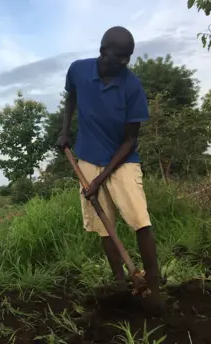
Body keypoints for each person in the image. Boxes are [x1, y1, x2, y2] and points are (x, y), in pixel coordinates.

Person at [56, 26, 162, 314]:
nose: (125, 62)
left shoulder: (131, 86)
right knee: (105, 227)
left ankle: (153, 285)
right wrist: (65, 130)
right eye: (120, 56)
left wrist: (100, 179)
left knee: (140, 220)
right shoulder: (78, 70)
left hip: (122, 160)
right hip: (88, 158)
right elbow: (71, 97)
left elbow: (131, 140)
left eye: (128, 57)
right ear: (104, 51)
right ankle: (121, 285)